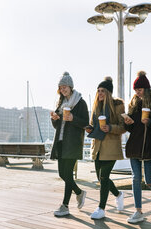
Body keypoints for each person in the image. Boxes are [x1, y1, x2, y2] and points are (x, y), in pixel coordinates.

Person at [123, 71, 151, 224]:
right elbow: (131, 128)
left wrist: (150, 123)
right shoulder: (134, 104)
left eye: (139, 89)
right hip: (134, 146)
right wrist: (127, 123)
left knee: (149, 180)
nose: (137, 92)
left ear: (146, 88)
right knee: (135, 178)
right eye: (135, 89)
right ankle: (138, 211)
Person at [86, 77, 126, 219]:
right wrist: (89, 129)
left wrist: (110, 127)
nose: (100, 93)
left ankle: (101, 208)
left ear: (108, 92)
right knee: (100, 177)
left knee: (103, 177)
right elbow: (92, 124)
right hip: (97, 147)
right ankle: (118, 194)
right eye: (98, 91)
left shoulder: (118, 105)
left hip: (111, 147)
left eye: (102, 91)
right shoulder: (96, 106)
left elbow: (123, 126)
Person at [50, 72, 89, 217]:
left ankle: (65, 206)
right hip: (60, 143)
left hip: (72, 143)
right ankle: (79, 192)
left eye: (65, 86)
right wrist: (54, 119)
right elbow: (57, 126)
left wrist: (73, 118)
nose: (62, 89)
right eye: (60, 87)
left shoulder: (80, 102)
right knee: (62, 173)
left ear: (71, 86)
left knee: (68, 174)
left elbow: (86, 122)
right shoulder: (60, 103)